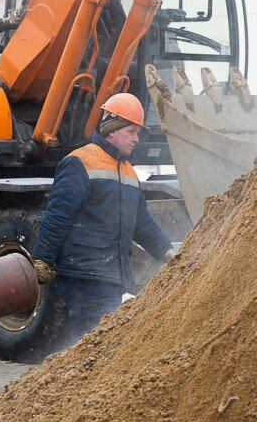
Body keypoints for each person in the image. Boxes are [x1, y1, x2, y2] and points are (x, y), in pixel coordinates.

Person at [31, 93, 175, 342]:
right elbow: (58, 214)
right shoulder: (80, 161)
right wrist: (43, 258)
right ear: (112, 129)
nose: (136, 139)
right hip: (86, 272)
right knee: (95, 340)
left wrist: (167, 252)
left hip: (109, 273)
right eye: (131, 131)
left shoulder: (128, 171)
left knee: (94, 339)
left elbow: (141, 222)